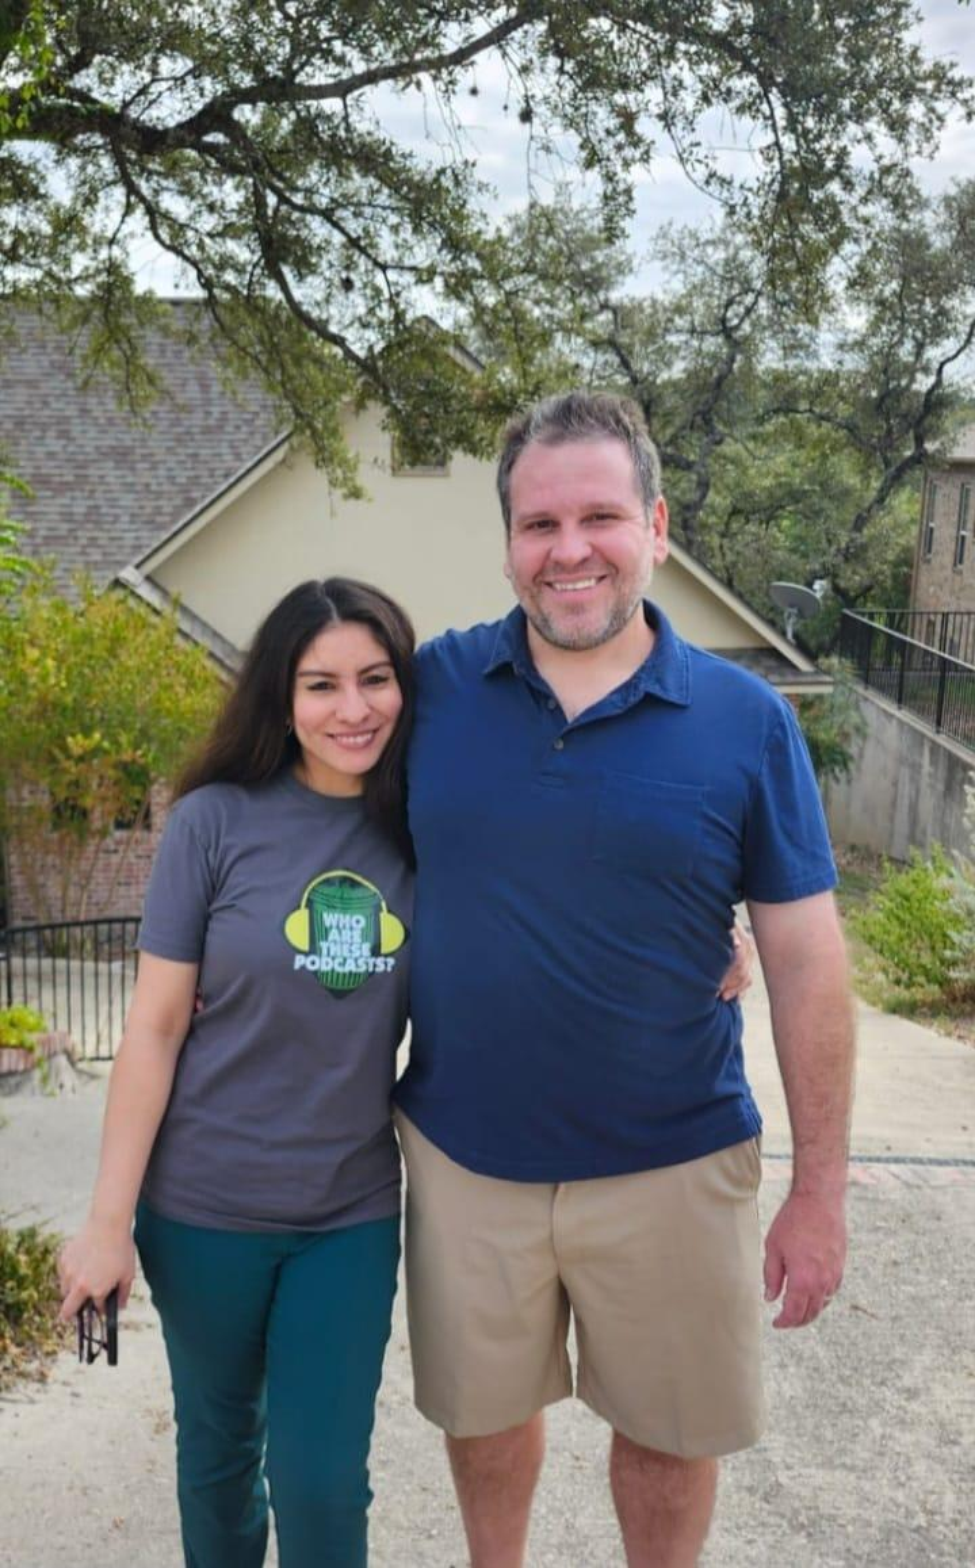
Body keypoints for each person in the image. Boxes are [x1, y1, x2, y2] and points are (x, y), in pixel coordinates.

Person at [394, 391, 856, 1567]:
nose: (569, 549)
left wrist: (822, 1190)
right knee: (485, 1421)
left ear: (654, 527)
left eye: (600, 515)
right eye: (539, 523)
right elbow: (300, 802)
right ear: (508, 541)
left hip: (674, 1157)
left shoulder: (745, 722)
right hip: (466, 1157)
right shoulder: (430, 691)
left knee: (665, 1437)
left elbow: (805, 958)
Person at [58, 577, 416, 1568]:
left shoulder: (428, 827)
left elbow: (546, 900)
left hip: (346, 1213)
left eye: (376, 678)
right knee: (219, 1458)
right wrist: (106, 1221)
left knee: (321, 1482)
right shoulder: (212, 821)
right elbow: (157, 1027)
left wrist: (702, 936)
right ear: (280, 696)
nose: (354, 708)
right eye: (322, 684)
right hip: (202, 1208)